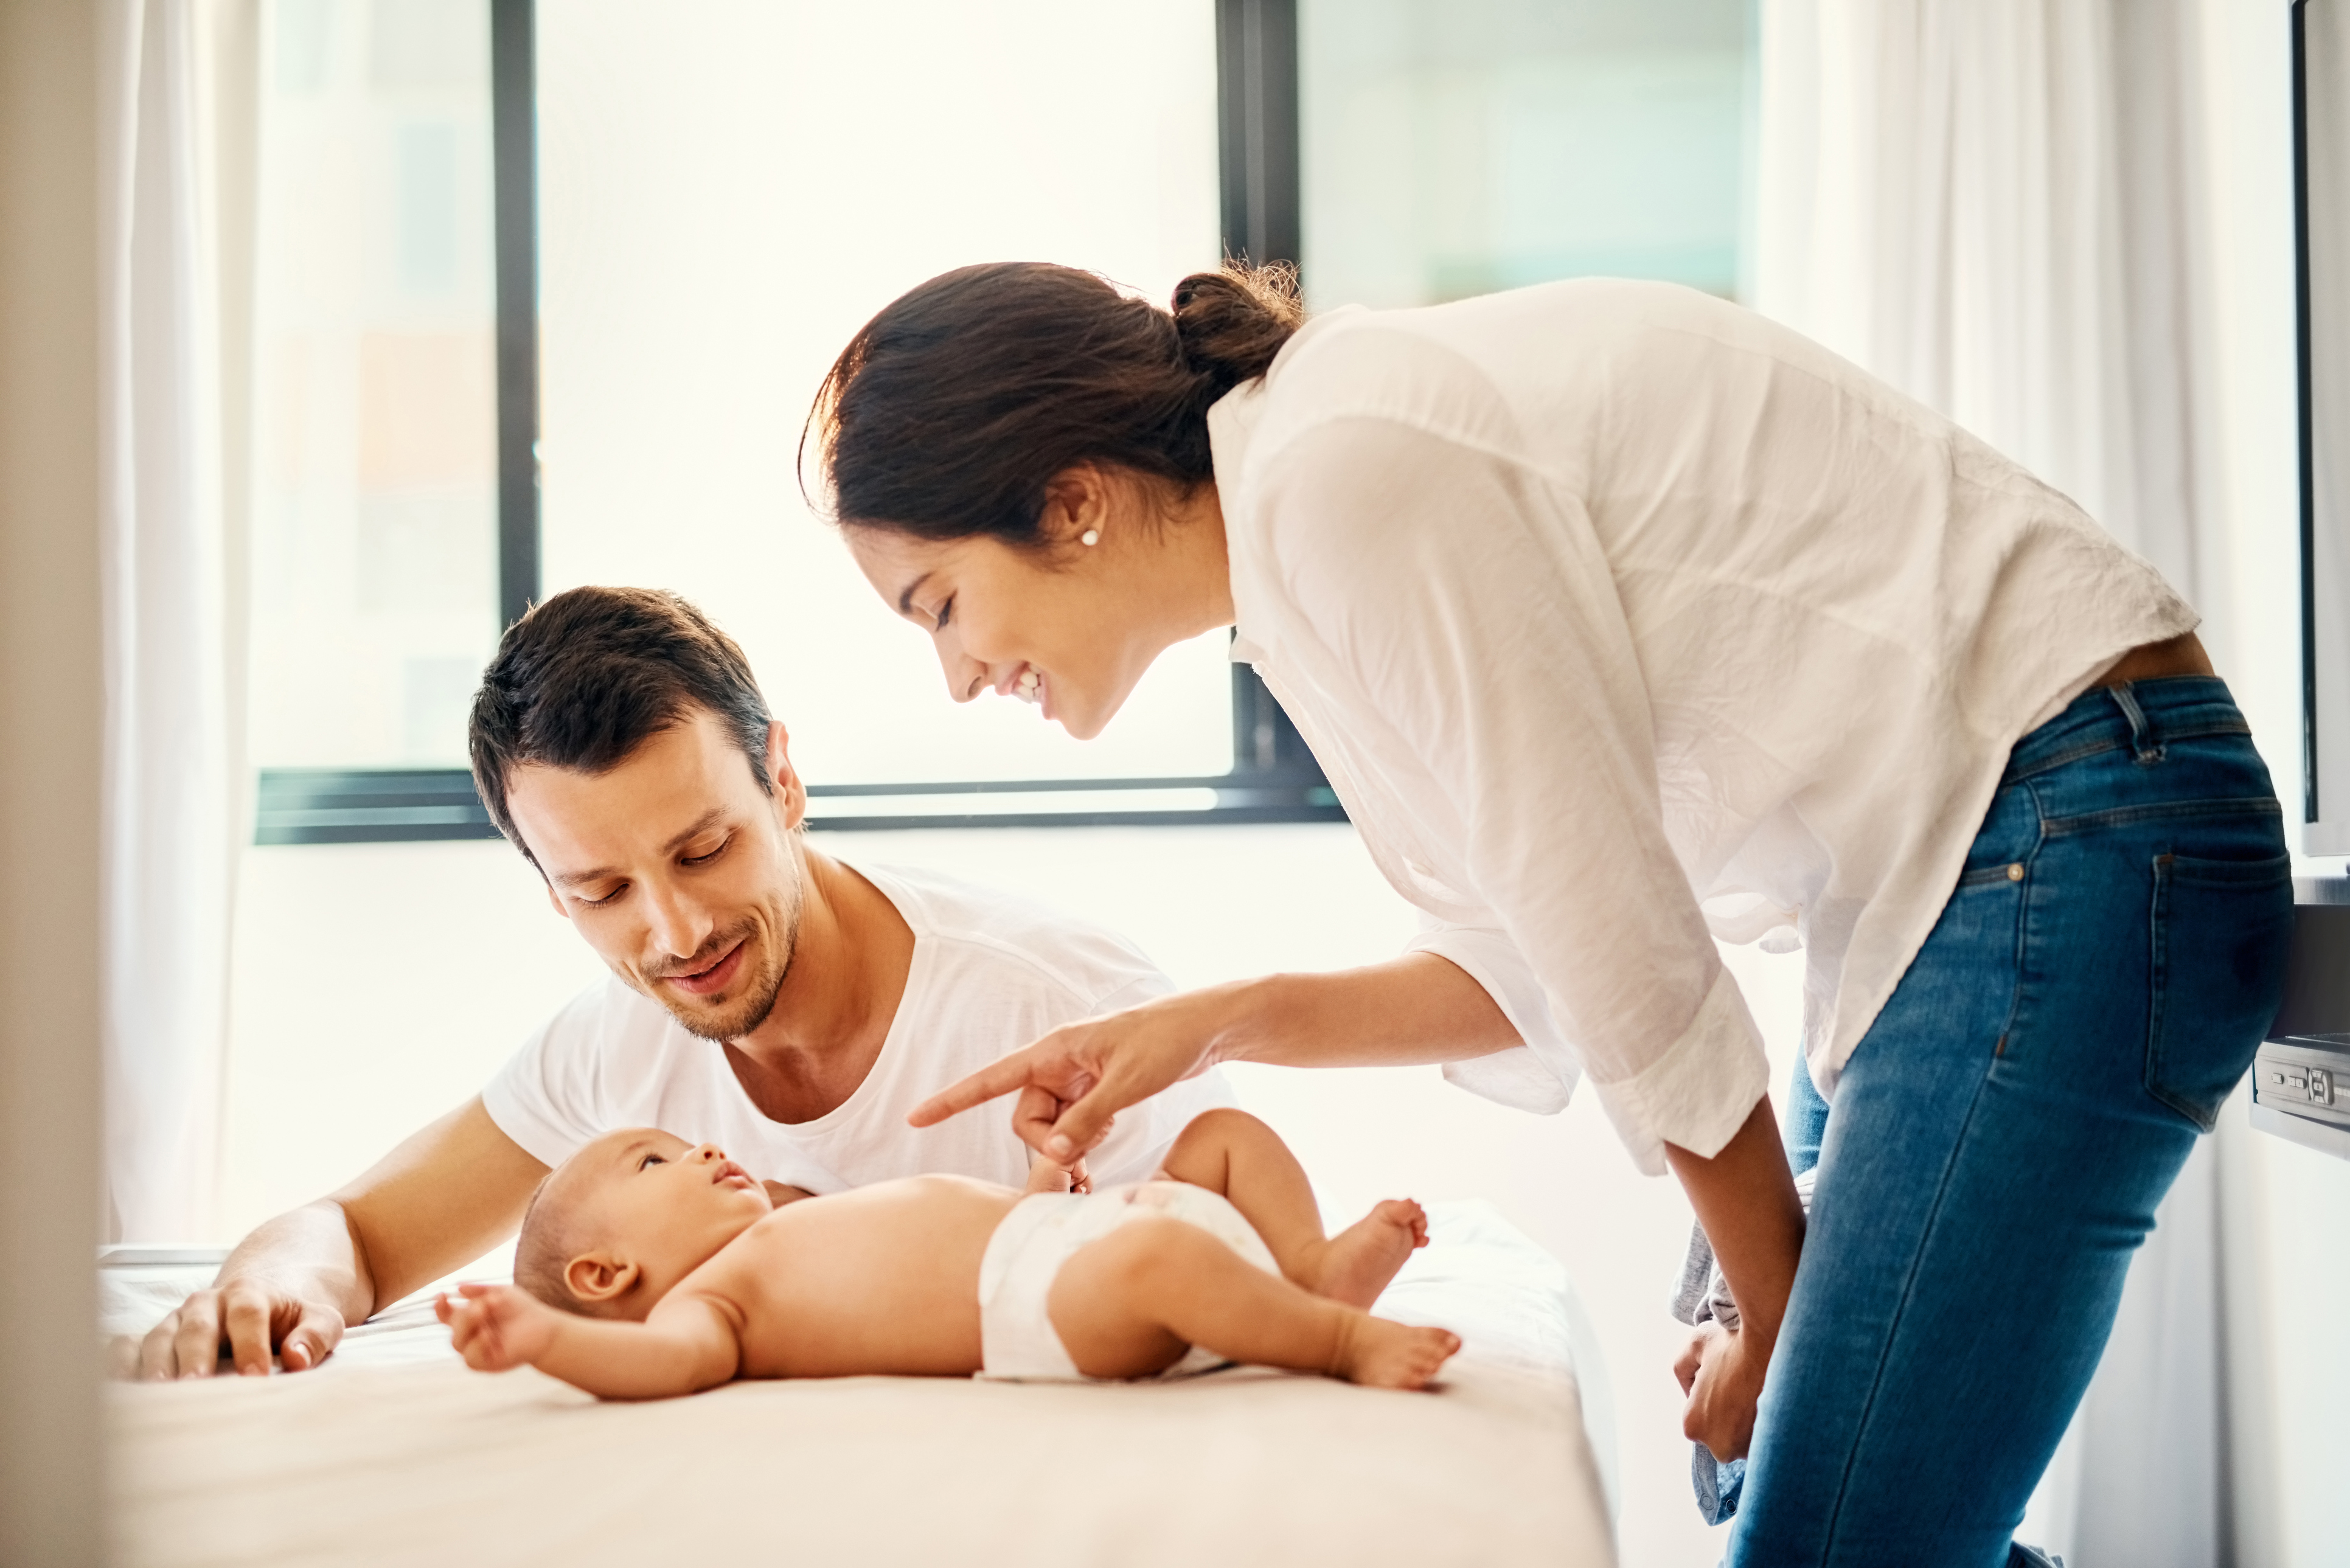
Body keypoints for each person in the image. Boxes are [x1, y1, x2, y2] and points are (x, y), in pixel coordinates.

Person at [805, 262, 2295, 1568]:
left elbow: (1612, 924)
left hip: (2075, 814)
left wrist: (1781, 1320)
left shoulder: (1344, 470)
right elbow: (1532, 961)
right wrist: (1204, 1028)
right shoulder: (1297, 544)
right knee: (1758, 1467)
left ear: (1069, 502)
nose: (955, 674)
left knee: (1806, 1497)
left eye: (937, 604)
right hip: (1991, 846)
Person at [126, 586, 1228, 1381]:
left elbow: (1218, 1293)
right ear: (552, 894)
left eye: (704, 850)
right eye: (602, 889)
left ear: (784, 779)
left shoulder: (1050, 1006)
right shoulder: (612, 1046)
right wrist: (266, 1284)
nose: (677, 931)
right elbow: (355, 1233)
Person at [434, 1109, 1459, 1396]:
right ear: (607, 1274)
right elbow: (658, 1369)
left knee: (1221, 1138)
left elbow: (951, 1235)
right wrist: (540, 1342)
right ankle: (1337, 1339)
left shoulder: (790, 1223)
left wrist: (1037, 1191)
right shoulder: (703, 1311)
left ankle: (1306, 1266)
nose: (701, 1144)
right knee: (1159, 1261)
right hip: (1050, 1306)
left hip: (1056, 1238)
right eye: (653, 1160)